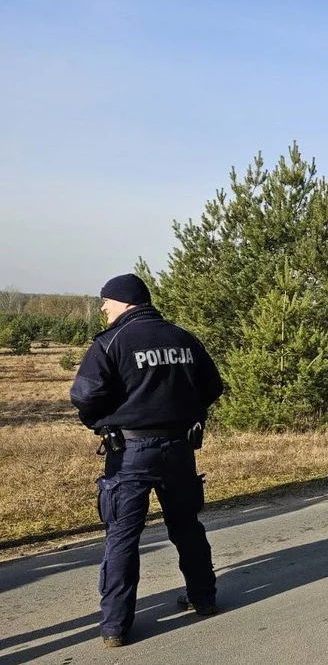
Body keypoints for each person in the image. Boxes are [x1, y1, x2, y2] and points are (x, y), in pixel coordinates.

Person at [69, 274, 224, 647]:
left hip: (132, 454)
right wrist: (187, 411)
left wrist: (102, 422)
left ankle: (115, 627)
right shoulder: (182, 337)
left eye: (105, 301)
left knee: (122, 536)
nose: (103, 307)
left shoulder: (112, 342)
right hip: (180, 449)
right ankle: (203, 598)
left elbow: (84, 395)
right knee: (186, 526)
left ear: (124, 301)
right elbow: (213, 386)